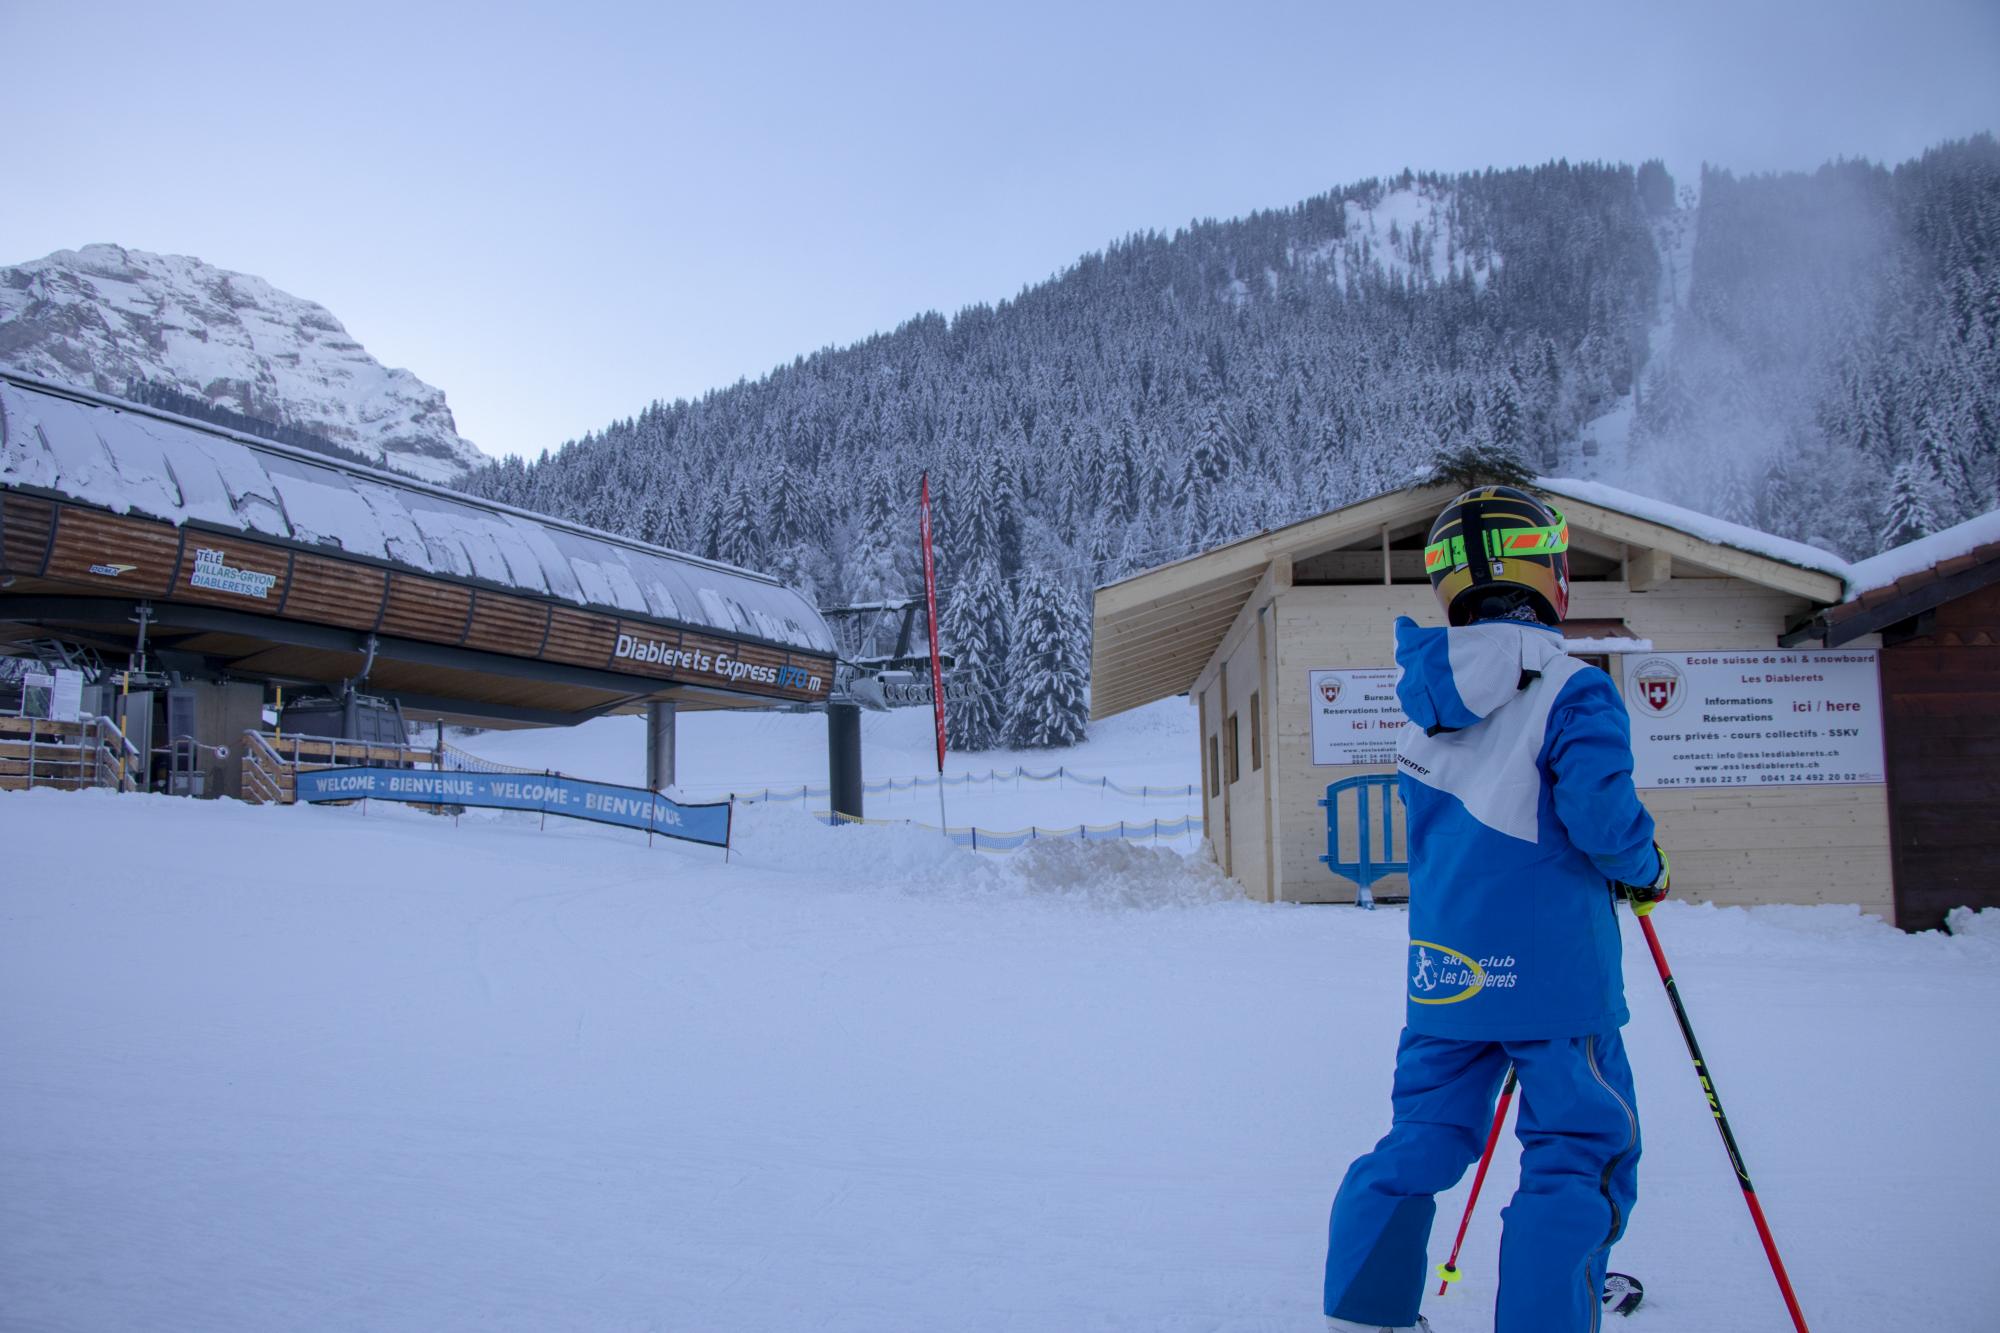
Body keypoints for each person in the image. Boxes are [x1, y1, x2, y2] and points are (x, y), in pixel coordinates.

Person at [1322, 486, 1670, 1333]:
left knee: (1423, 1138)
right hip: (1556, 979)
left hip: (1447, 974)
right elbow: (1601, 819)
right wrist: (1646, 867)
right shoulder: (1571, 689)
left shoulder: (1423, 711)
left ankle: (1367, 1314)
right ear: (1547, 574)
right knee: (1575, 1154)